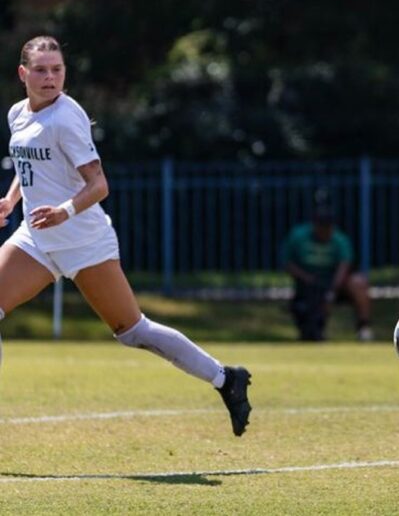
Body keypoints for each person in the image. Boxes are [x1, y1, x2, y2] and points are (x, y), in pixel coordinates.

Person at [1, 36, 252, 437]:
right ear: (22, 73)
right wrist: (13, 198)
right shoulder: (18, 113)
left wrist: (63, 211)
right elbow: (29, 159)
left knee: (133, 331)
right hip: (37, 238)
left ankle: (226, 379)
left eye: (57, 69)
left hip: (83, 242)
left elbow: (99, 185)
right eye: (41, 69)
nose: (50, 77)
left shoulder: (66, 118)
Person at [282, 205, 373, 342]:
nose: (325, 231)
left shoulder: (339, 240)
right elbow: (287, 263)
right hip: (308, 284)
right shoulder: (299, 236)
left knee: (359, 283)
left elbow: (344, 266)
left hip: (335, 284)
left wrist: (331, 290)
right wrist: (307, 279)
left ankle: (363, 328)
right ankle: (315, 331)